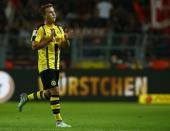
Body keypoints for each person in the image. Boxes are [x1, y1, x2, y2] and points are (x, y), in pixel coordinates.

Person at [18, 3, 71, 128]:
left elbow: (65, 46)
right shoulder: (39, 29)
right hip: (45, 65)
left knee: (48, 93)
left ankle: (26, 98)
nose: (54, 14)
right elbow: (34, 46)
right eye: (50, 12)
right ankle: (59, 121)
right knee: (55, 91)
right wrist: (49, 39)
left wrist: (67, 39)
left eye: (54, 12)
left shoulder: (60, 28)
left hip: (56, 65)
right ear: (44, 15)